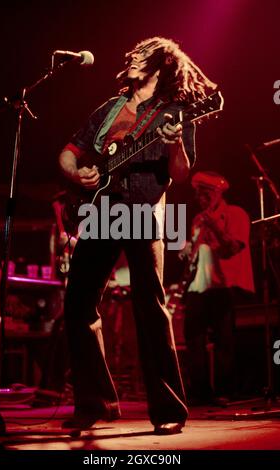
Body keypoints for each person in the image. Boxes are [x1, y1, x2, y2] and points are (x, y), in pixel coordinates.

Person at [58, 37, 217, 435]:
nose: (131, 58)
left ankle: (167, 409)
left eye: (141, 56)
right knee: (77, 304)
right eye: (132, 54)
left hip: (144, 212)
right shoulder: (107, 109)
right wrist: (77, 174)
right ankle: (93, 403)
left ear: (161, 65)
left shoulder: (174, 112)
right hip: (100, 211)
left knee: (150, 307)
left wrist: (175, 141)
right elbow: (69, 151)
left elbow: (179, 174)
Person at [180, 171, 255, 404]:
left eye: (204, 194)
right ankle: (199, 392)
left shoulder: (236, 214)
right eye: (197, 194)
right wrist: (186, 253)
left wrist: (216, 227)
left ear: (215, 194)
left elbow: (233, 248)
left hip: (223, 286)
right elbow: (195, 254)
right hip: (197, 288)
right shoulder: (197, 220)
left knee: (224, 340)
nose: (199, 198)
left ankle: (225, 390)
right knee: (193, 340)